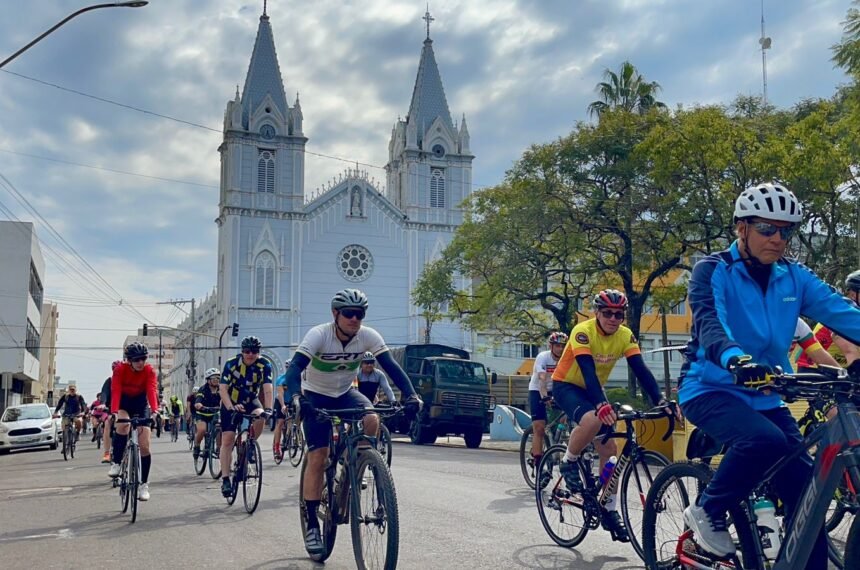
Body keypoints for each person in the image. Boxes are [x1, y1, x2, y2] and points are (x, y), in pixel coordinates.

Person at [678, 182, 860, 567]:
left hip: (767, 393)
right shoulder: (713, 270)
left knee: (807, 493)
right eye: (766, 228)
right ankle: (708, 511)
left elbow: (843, 314)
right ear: (741, 228)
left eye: (786, 231)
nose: (777, 239)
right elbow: (711, 324)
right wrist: (735, 360)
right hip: (710, 387)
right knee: (764, 441)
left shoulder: (794, 277)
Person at [282, 288, 423, 559]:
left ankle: (352, 464)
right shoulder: (319, 335)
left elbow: (392, 367)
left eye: (360, 314)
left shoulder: (368, 336)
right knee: (318, 456)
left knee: (372, 419)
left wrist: (411, 394)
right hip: (316, 395)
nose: (355, 319)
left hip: (345, 392)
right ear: (335, 314)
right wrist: (297, 398)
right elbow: (293, 372)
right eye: (349, 314)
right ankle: (312, 522)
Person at [550, 288, 674, 543]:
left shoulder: (625, 335)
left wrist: (660, 399)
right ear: (597, 312)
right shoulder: (582, 331)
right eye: (607, 313)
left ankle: (610, 509)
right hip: (567, 385)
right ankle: (569, 459)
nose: (613, 319)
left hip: (594, 389)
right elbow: (586, 370)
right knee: (594, 419)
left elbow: (640, 370)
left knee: (611, 451)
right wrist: (600, 404)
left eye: (619, 314)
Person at [218, 336, 273, 498]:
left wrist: (268, 409)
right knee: (228, 439)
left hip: (250, 400)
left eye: (254, 351)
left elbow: (268, 388)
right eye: (247, 351)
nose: (250, 354)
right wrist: (230, 407)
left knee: (261, 416)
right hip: (230, 401)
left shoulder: (264, 364)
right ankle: (226, 479)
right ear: (242, 352)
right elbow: (222, 389)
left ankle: (250, 446)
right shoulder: (231, 364)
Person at [109, 342, 159, 501]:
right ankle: (116, 463)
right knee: (123, 425)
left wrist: (155, 410)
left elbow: (151, 389)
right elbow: (115, 390)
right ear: (129, 360)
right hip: (124, 403)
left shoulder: (149, 370)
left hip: (140, 404)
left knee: (144, 445)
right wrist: (115, 412)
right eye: (137, 360)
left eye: (143, 359)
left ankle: (144, 484)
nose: (140, 363)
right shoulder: (120, 370)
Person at [795, 270, 860, 370]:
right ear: (853, 294)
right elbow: (850, 350)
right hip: (814, 367)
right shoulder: (843, 313)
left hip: (840, 367)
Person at [528, 332, 567, 470]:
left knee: (565, 417)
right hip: (537, 390)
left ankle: (556, 443)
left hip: (556, 390)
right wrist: (544, 396)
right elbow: (542, 379)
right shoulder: (543, 357)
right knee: (539, 427)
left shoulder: (567, 359)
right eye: (557, 346)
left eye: (563, 346)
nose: (561, 349)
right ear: (551, 346)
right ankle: (538, 463)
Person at [193, 369, 222, 459]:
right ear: (208, 380)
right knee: (202, 430)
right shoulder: (203, 389)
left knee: (219, 429)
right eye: (213, 378)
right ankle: (197, 446)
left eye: (218, 377)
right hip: (202, 413)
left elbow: (225, 398)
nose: (216, 380)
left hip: (215, 413)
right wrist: (198, 404)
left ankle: (219, 449)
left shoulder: (221, 389)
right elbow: (199, 398)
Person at [97, 360, 121, 463]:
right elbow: (104, 393)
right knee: (107, 423)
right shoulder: (109, 381)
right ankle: (107, 453)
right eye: (114, 369)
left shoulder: (128, 380)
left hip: (126, 408)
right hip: (111, 409)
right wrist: (103, 403)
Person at [272, 359, 294, 462]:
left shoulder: (296, 379)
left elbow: (302, 391)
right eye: (288, 367)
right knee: (280, 422)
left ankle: (291, 436)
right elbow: (280, 394)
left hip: (292, 401)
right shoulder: (281, 379)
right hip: (281, 401)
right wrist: (283, 406)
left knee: (293, 419)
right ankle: (277, 447)